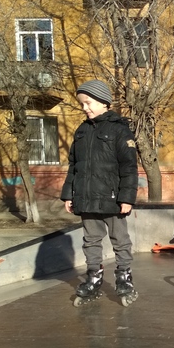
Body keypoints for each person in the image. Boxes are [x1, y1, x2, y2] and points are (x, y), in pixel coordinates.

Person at [61, 80, 139, 301]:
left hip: (112, 199)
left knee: (120, 239)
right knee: (91, 240)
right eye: (82, 104)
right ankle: (94, 277)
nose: (85, 107)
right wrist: (69, 194)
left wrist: (127, 198)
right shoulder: (82, 131)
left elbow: (129, 167)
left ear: (104, 102)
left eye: (88, 102)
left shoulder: (119, 129)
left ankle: (124, 277)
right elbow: (74, 165)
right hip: (86, 198)